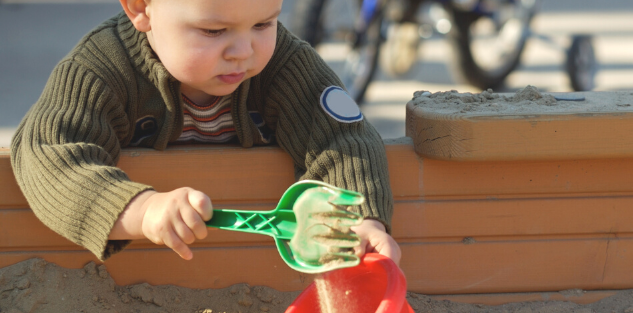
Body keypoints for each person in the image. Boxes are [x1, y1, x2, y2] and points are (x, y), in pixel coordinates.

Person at [10, 0, 401, 267]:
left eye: (264, 23)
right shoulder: (101, 68)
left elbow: (342, 139)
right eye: (214, 31)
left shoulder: (284, 62)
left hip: (257, 269)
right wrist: (140, 210)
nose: (243, 50)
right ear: (140, 9)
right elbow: (47, 150)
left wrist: (359, 221)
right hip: (131, 277)